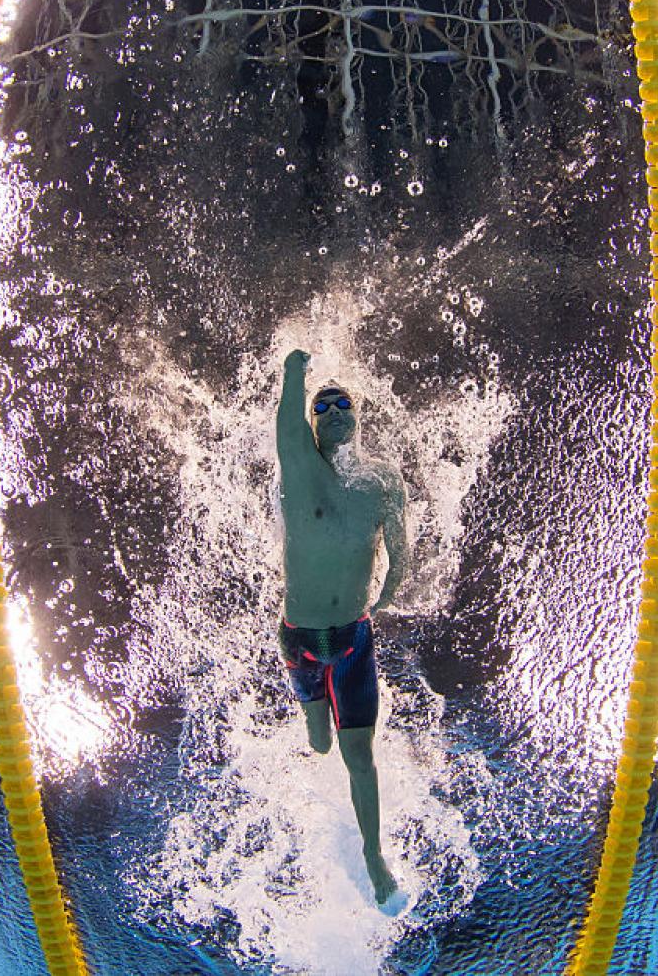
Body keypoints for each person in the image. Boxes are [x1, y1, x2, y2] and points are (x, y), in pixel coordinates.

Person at [275, 347, 409, 911]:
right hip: (302, 644)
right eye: (321, 407)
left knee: (359, 754)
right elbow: (286, 422)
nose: (331, 411)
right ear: (312, 423)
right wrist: (292, 373)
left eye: (342, 403)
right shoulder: (301, 470)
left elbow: (401, 548)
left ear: (357, 415)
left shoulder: (382, 481)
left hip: (354, 642)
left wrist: (389, 592)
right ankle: (312, 730)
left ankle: (374, 856)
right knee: (321, 741)